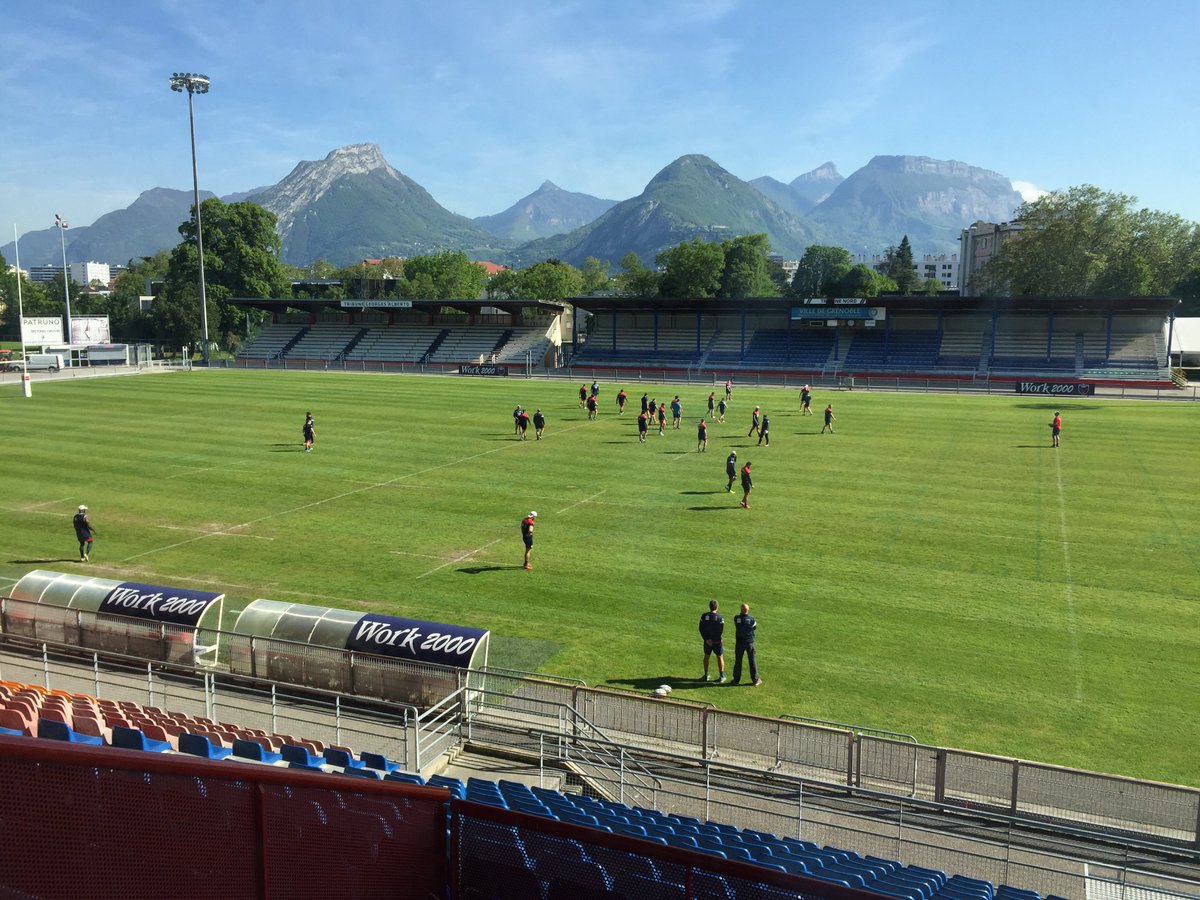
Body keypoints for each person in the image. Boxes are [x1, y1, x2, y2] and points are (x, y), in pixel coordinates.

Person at [731, 603, 762, 686]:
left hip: (739, 642)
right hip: (749, 642)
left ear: (741, 610)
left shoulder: (736, 618)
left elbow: (736, 625)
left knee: (738, 661)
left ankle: (736, 680)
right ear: (747, 610)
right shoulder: (751, 619)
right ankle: (755, 680)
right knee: (752, 660)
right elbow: (754, 627)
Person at [699, 600, 727, 683]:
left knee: (706, 656)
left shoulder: (704, 616)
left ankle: (706, 675)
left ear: (709, 606)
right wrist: (716, 639)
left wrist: (706, 639)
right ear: (717, 607)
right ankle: (721, 676)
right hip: (717, 642)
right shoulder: (720, 618)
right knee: (720, 657)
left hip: (707, 642)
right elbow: (720, 631)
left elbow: (701, 628)